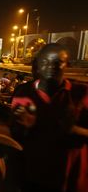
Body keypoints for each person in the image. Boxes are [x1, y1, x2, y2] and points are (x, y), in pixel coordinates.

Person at [10, 43, 88, 192]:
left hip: (71, 180)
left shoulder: (81, 93)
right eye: (45, 61)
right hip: (34, 176)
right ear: (37, 64)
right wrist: (24, 127)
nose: (51, 66)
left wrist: (74, 130)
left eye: (58, 62)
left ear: (67, 65)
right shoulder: (23, 92)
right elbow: (15, 135)